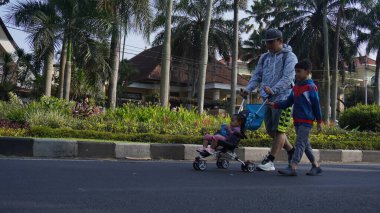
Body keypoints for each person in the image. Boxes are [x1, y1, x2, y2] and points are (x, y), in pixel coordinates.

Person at [240, 28, 298, 171]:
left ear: (280, 41)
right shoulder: (264, 57)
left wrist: (273, 90)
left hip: (284, 99)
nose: (268, 45)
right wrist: (248, 89)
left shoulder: (290, 57)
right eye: (267, 43)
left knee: (279, 130)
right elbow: (257, 76)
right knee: (271, 130)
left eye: (271, 42)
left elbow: (287, 78)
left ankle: (270, 160)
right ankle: (292, 151)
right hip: (267, 99)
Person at [267, 59, 323, 176]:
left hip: (306, 121)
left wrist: (319, 122)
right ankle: (316, 166)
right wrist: (275, 104)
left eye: (299, 71)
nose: (296, 74)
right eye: (295, 71)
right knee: (305, 144)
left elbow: (316, 105)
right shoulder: (296, 87)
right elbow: (288, 102)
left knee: (300, 144)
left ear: (307, 72)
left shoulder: (311, 87)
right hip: (297, 120)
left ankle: (293, 166)